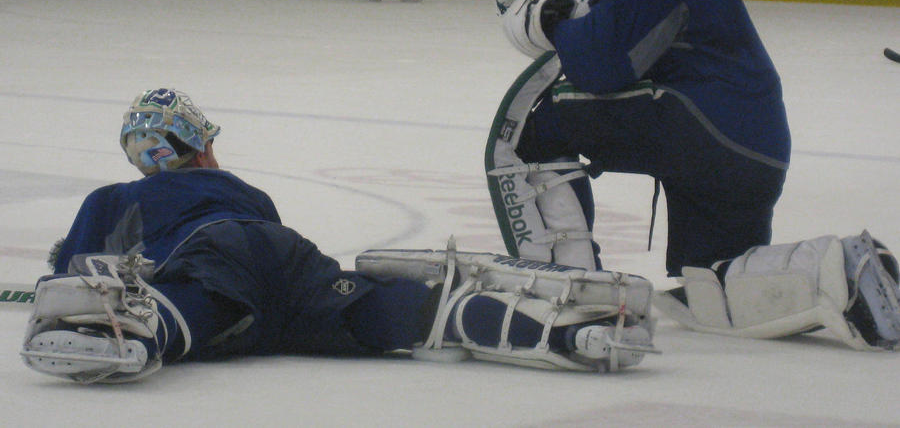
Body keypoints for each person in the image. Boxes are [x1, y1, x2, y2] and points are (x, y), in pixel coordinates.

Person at [486, 0, 900, 351]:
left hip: (704, 133)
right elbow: (623, 29)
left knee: (534, 131)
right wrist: (572, 15)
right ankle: (842, 270)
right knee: (713, 287)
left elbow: (601, 67)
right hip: (752, 154)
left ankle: (571, 285)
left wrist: (548, 20)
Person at [20, 88, 657, 384]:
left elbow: (72, 275)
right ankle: (564, 331)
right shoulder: (241, 188)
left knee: (190, 302)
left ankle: (136, 336)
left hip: (218, 273)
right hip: (287, 268)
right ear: (198, 146)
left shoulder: (115, 197)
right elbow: (262, 243)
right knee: (394, 309)